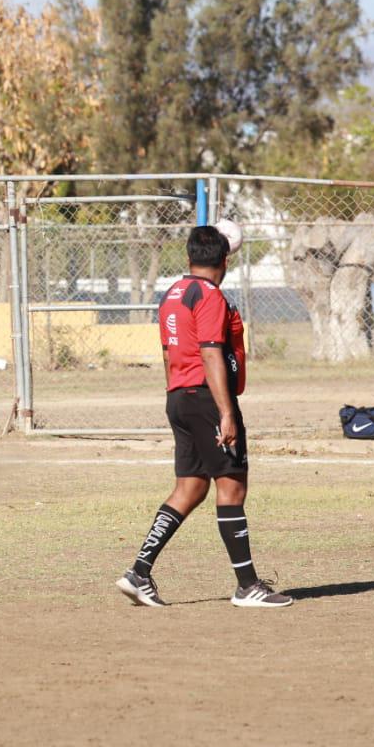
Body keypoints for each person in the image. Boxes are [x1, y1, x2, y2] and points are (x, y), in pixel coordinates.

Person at [115, 225, 292, 608]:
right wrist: (225, 412)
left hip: (179, 395)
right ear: (225, 260)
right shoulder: (210, 296)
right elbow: (212, 352)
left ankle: (139, 572)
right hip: (207, 397)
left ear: (189, 257)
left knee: (191, 488)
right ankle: (247, 586)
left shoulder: (173, 294)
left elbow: (168, 353)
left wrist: (178, 398)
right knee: (231, 487)